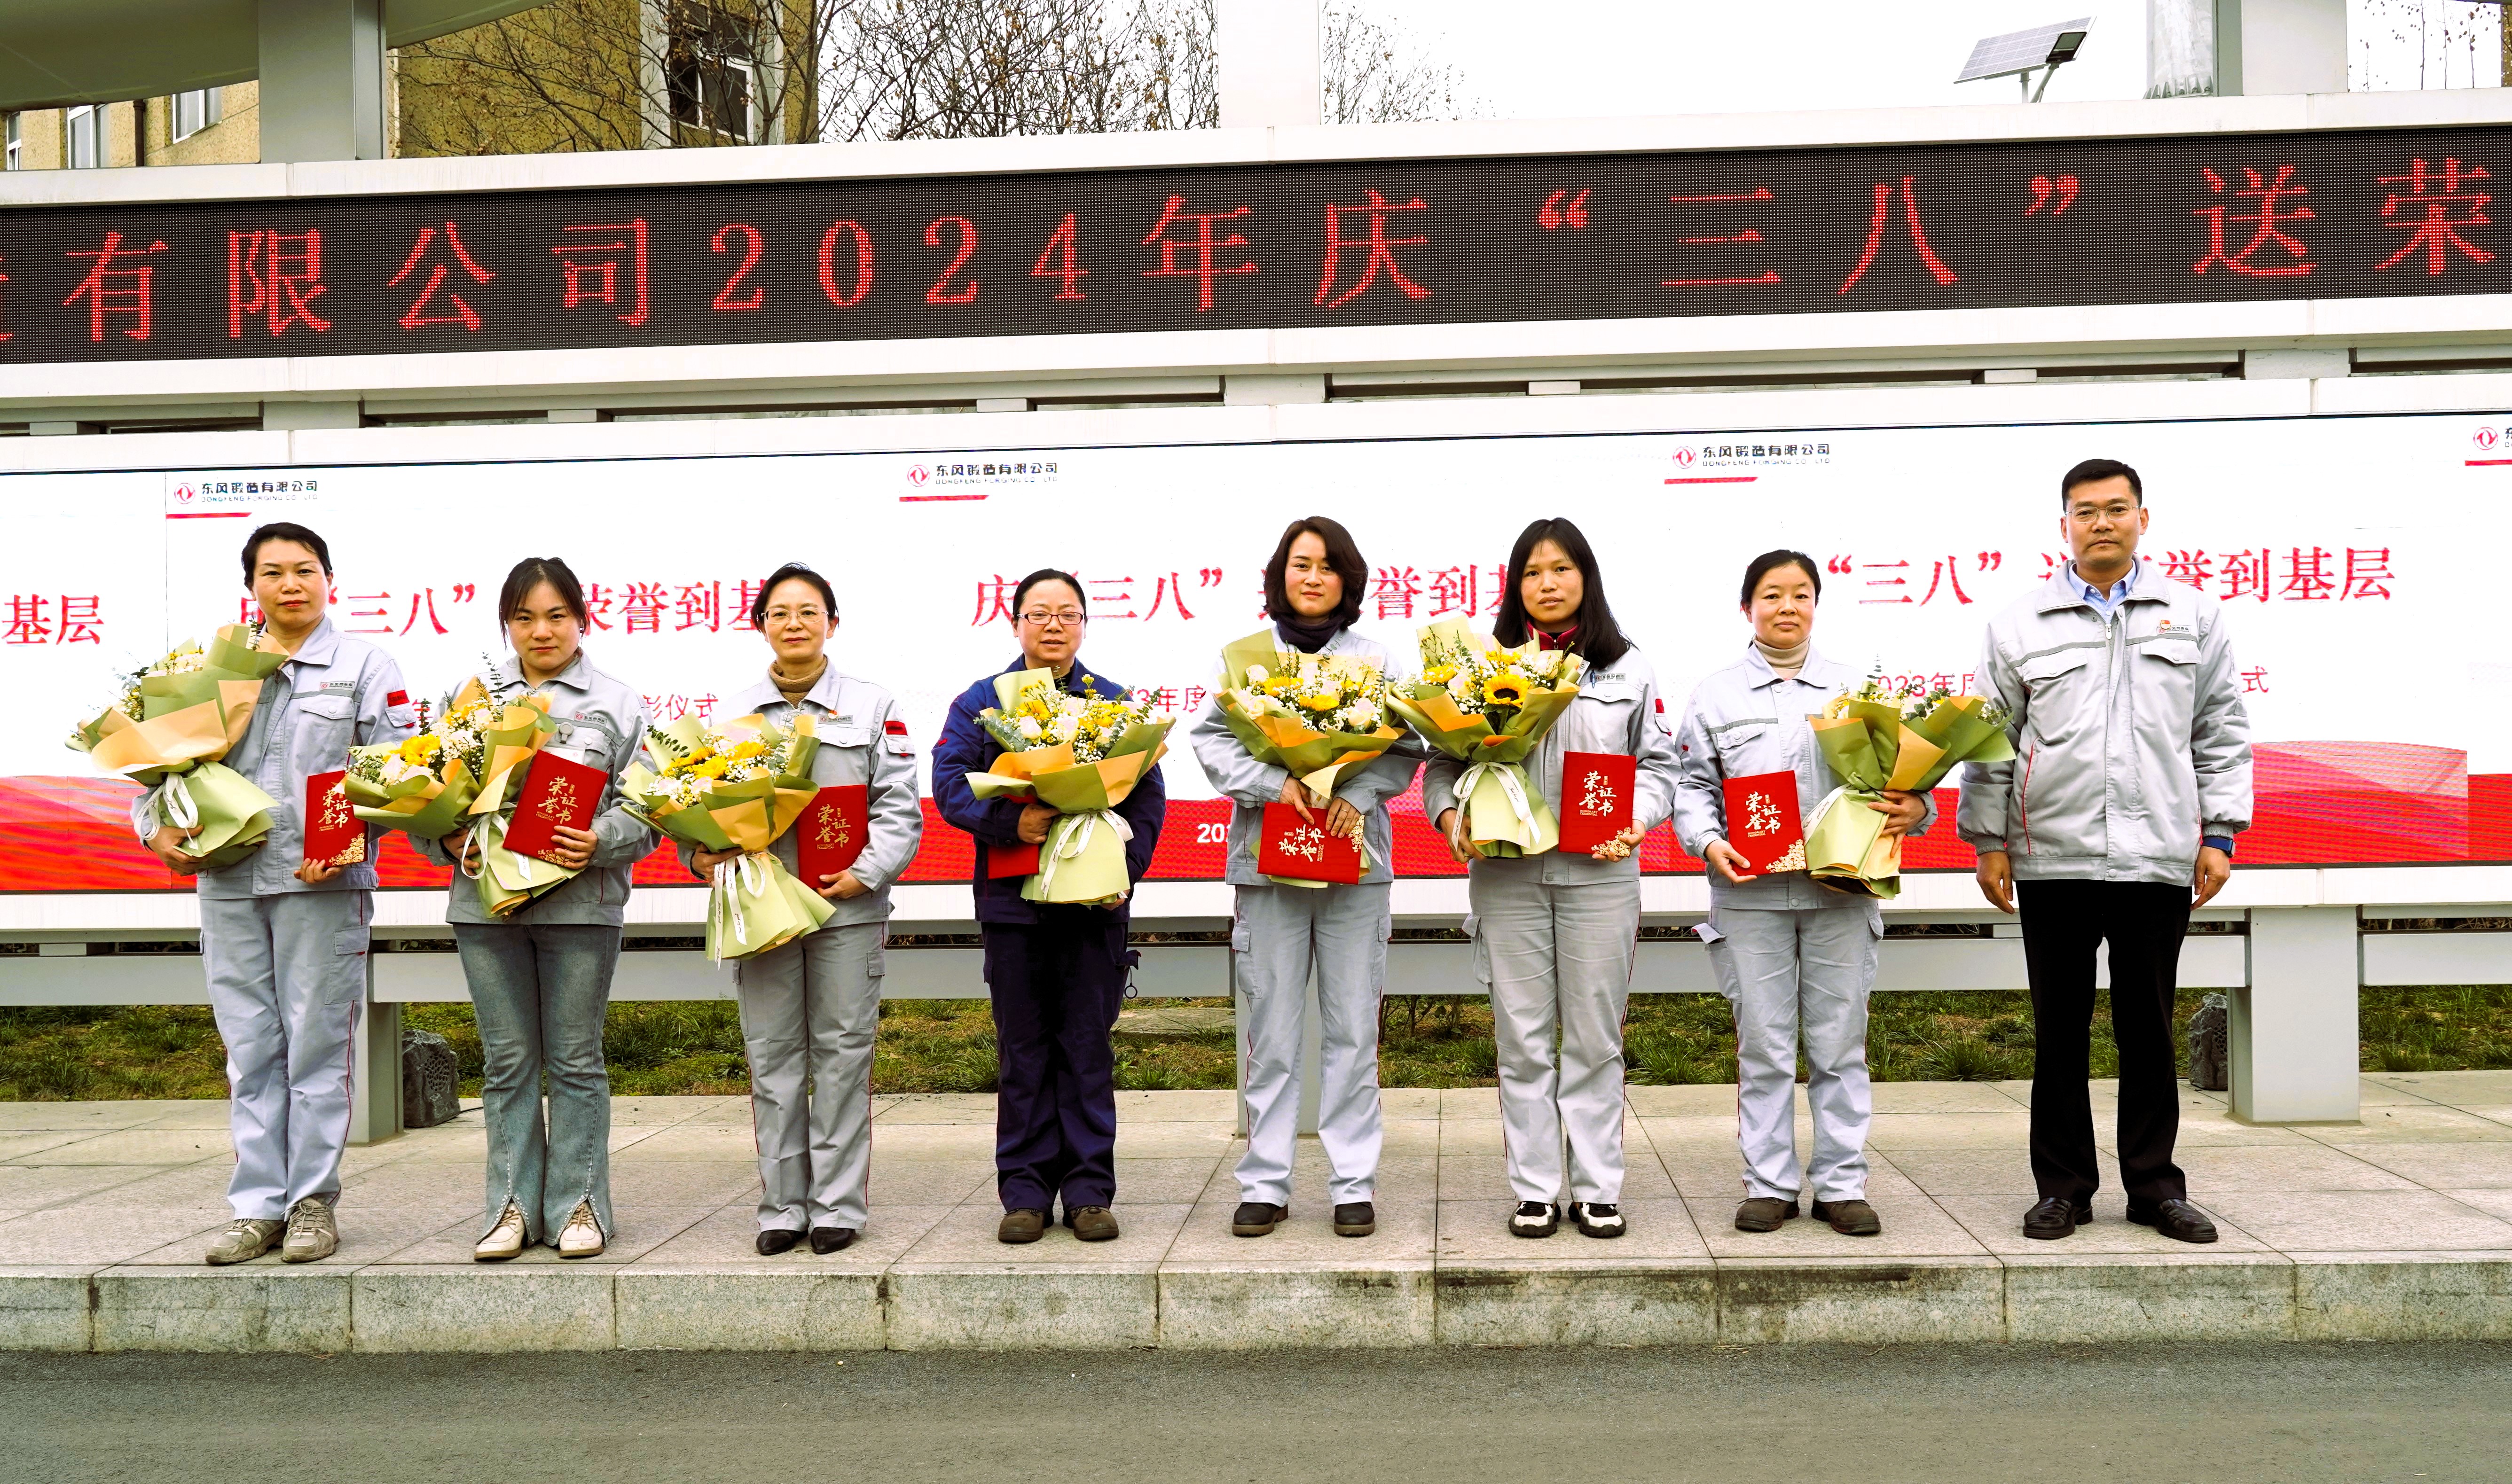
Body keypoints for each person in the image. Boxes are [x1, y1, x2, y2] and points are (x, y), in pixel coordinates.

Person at [1959, 458, 2252, 1245]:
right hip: (2051, 856)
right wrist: (1989, 840)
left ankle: (2155, 1187)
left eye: (2116, 509)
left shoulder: (2192, 615)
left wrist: (2219, 833)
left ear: (2142, 521)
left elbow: (2220, 728)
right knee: (2059, 1031)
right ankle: (2064, 1188)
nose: (2101, 523)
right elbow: (1990, 741)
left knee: (2148, 1029)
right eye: (2085, 511)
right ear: (2064, 526)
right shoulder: (2021, 623)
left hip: (2157, 856)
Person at [144, 523, 418, 1266]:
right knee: (251, 1048)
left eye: (305, 570)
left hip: (319, 887)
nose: (290, 584)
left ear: (331, 579)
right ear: (252, 586)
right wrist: (154, 827)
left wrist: (354, 842)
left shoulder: (364, 664)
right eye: (273, 573)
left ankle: (311, 1204)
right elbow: (162, 765)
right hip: (229, 882)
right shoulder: (212, 669)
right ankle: (256, 1206)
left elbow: (397, 775)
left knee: (317, 1045)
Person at [1424, 519, 1680, 1239]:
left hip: (1601, 876)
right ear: (1516, 585)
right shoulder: (1482, 667)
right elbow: (1441, 763)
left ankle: (1599, 1186)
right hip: (1510, 877)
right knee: (1524, 1038)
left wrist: (1638, 817)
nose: (1548, 583)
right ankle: (1536, 1188)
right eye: (1533, 572)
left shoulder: (1627, 665)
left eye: (1562, 569)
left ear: (1585, 578)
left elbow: (1660, 765)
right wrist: (1450, 818)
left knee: (1596, 1038)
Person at [1672, 550, 1931, 1238]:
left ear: (1817, 603)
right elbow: (1691, 786)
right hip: (1750, 893)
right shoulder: (1716, 693)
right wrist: (1707, 840)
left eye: (1801, 594)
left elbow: (1905, 782)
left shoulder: (1858, 689)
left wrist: (1917, 810)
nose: (1787, 606)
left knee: (1840, 1043)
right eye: (1771, 594)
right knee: (1762, 1044)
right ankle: (1769, 1184)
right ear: (1747, 607)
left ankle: (1842, 1184)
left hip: (1840, 891)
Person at [1188, 517, 1425, 1239]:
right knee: (1274, 1031)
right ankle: (1266, 1181)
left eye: (1327, 565)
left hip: (1355, 865)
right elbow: (1211, 741)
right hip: (1270, 865)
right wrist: (1272, 781)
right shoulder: (1249, 662)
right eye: (1300, 564)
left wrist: (1354, 793)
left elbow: (1409, 743)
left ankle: (1353, 1182)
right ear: (1280, 575)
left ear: (1348, 580)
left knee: (1353, 1029)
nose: (1313, 576)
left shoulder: (1376, 660)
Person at [415, 558, 655, 1262]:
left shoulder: (616, 701)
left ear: (583, 618)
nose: (540, 630)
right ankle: (512, 1205)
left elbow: (650, 807)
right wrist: (449, 835)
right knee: (508, 1061)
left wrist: (601, 837)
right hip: (486, 908)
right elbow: (427, 791)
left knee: (576, 1060)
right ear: (506, 625)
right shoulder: (471, 702)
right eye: (524, 617)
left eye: (555, 615)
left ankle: (582, 1202)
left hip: (581, 906)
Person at [687, 563, 922, 1256]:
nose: (795, 622)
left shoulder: (874, 706)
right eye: (781, 612)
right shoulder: (732, 718)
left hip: (847, 908)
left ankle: (837, 1206)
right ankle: (782, 1208)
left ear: (832, 623)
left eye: (809, 611)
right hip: (763, 912)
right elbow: (704, 814)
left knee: (846, 1055)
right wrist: (699, 857)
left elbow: (899, 809)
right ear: (760, 624)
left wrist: (867, 872)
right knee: (773, 1057)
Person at [933, 570, 1167, 1245]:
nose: (1054, 624)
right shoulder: (982, 704)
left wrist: (1124, 867)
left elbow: (1147, 798)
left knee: (1088, 1046)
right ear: (1015, 624)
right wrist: (1014, 822)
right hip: (1014, 904)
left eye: (1067, 612)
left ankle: (1091, 1190)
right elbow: (949, 785)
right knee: (1025, 1048)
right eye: (1039, 613)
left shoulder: (1114, 707)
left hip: (1095, 906)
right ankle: (1027, 1192)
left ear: (1085, 624)